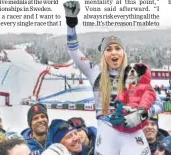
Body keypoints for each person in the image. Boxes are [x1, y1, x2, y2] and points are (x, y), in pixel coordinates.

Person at [63, 1, 163, 154]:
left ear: (124, 53)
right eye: (108, 49)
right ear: (104, 55)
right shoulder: (95, 72)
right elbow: (74, 50)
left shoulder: (135, 73)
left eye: (118, 48)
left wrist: (141, 115)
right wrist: (71, 22)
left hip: (132, 134)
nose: (114, 52)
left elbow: (160, 104)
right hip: (106, 134)